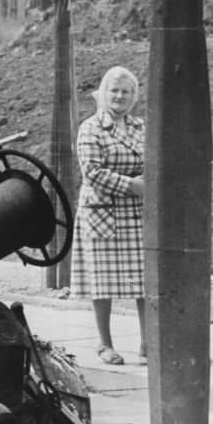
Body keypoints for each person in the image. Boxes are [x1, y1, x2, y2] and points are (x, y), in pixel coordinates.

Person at [72, 66, 146, 365]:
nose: (119, 97)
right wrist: (132, 185)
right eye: (114, 91)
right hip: (104, 211)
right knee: (102, 281)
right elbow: (92, 172)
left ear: (133, 97)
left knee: (145, 280)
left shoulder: (142, 127)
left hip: (138, 211)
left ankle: (147, 344)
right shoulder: (91, 128)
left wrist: (146, 181)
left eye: (126, 92)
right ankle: (105, 344)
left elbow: (154, 159)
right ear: (104, 93)